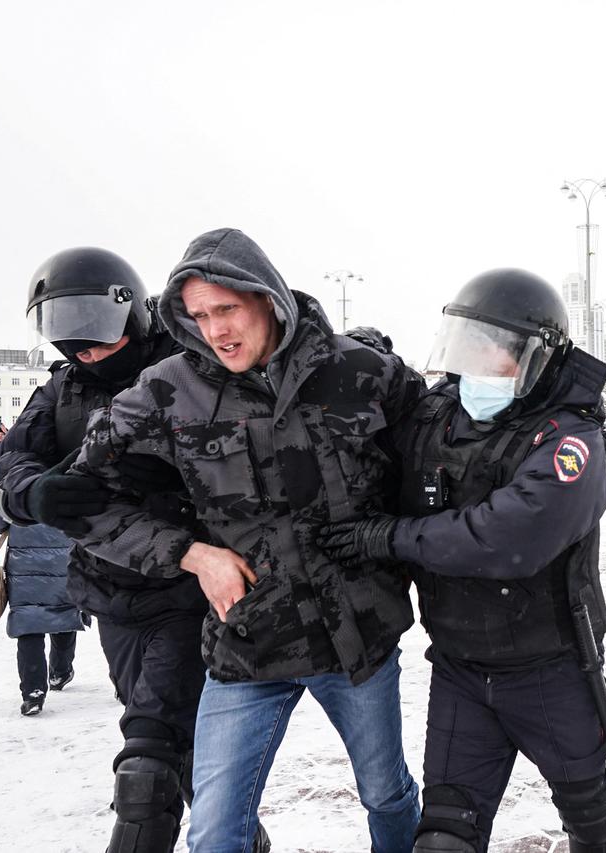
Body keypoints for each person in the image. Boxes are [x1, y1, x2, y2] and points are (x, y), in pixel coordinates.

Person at [70, 229, 421, 852]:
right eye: (199, 315)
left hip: (357, 640)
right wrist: (191, 553)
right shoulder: (168, 387)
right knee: (214, 829)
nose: (215, 331)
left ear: (269, 300)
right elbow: (80, 495)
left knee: (386, 795)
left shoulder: (363, 373)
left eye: (227, 309)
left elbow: (440, 469)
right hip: (248, 642)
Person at [316, 269, 606, 852]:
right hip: (459, 669)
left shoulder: (572, 442)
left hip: (551, 669)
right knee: (443, 837)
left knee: (591, 822)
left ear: (539, 360)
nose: (475, 372)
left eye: (495, 358)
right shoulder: (437, 416)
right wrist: (355, 365)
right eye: (468, 353)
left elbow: (508, 539)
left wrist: (388, 538)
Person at [0, 246, 239, 852]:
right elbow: (12, 459)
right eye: (66, 337)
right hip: (112, 595)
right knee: (178, 752)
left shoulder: (189, 371)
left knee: (148, 758)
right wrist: (33, 492)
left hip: (188, 588)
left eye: (94, 333)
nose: (83, 351)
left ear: (130, 312)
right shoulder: (63, 390)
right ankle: (239, 837)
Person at [0, 506, 85, 716]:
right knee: (63, 612)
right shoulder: (69, 477)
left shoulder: (16, 481)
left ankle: (33, 694)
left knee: (29, 624)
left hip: (23, 568)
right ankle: (60, 672)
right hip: (65, 561)